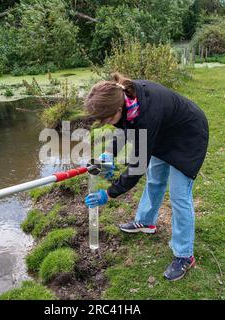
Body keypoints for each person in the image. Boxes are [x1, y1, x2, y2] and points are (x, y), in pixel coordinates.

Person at [84, 72, 209, 281]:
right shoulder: (127, 102)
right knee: (155, 180)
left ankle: (184, 255)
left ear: (119, 107)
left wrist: (110, 193)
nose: (105, 124)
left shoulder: (146, 115)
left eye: (106, 119)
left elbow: (137, 165)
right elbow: (124, 128)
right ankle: (146, 222)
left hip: (188, 137)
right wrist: (110, 153)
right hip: (164, 134)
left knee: (179, 196)